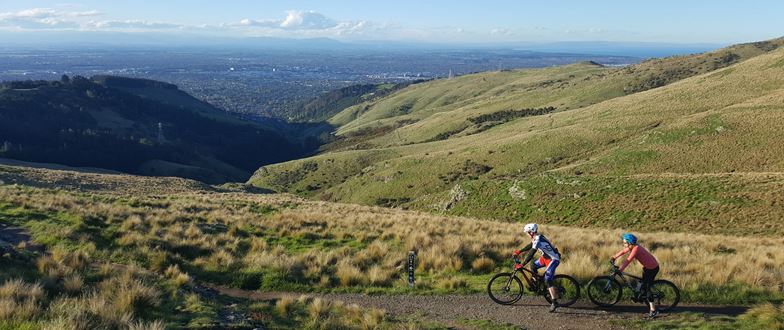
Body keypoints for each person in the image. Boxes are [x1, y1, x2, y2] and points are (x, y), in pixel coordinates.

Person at [513, 223, 562, 312]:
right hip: (546, 258)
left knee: (547, 280)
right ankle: (537, 281)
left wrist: (522, 264)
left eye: (527, 232)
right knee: (533, 265)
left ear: (531, 232)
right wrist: (519, 251)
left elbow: (531, 253)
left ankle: (554, 302)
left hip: (553, 259)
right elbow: (530, 245)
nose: (527, 234)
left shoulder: (538, 239)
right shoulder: (535, 237)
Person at [611, 233, 660, 318]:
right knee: (642, 284)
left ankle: (653, 310)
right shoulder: (633, 246)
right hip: (647, 267)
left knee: (647, 289)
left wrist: (620, 270)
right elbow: (623, 251)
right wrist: (614, 257)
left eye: (625, 243)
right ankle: (640, 297)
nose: (624, 244)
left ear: (630, 243)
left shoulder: (636, 249)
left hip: (652, 269)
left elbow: (628, 260)